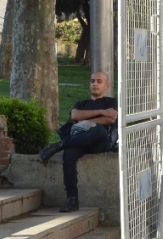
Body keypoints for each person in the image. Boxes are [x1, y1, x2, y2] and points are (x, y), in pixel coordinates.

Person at [39, 71, 118, 212]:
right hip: (80, 141)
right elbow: (75, 115)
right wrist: (101, 112)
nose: (95, 84)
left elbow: (110, 119)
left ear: (107, 85)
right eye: (92, 81)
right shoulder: (82, 103)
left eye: (99, 81)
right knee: (69, 154)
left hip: (100, 141)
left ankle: (59, 145)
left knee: (98, 130)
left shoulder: (111, 102)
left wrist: (85, 120)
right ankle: (72, 198)